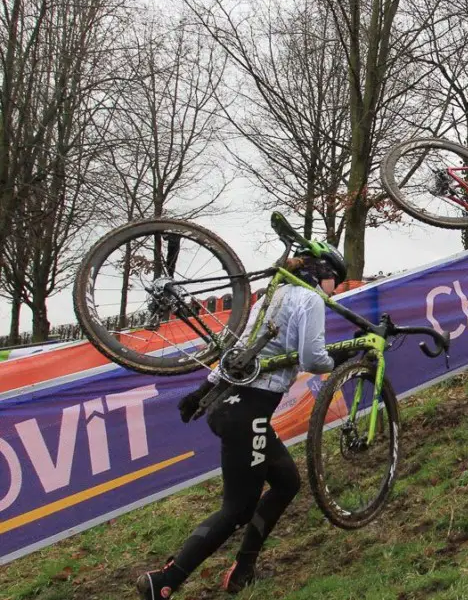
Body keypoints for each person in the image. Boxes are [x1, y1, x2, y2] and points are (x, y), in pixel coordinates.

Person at [137, 243, 353, 598]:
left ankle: (244, 569)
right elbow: (313, 358)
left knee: (286, 481)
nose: (336, 291)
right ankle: (165, 581)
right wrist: (344, 355)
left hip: (229, 403)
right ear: (325, 273)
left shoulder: (270, 295)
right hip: (248, 411)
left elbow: (234, 348)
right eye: (338, 283)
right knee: (236, 509)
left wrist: (201, 390)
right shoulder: (309, 299)